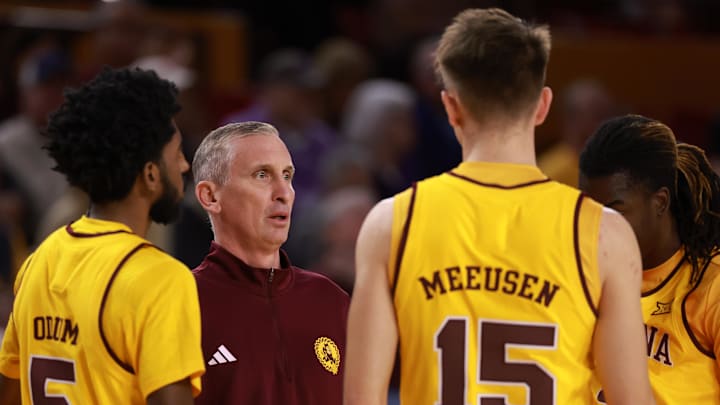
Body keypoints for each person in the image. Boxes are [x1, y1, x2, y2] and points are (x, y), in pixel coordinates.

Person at [343, 8, 655, 405]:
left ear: (451, 107)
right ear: (543, 106)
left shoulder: (391, 223)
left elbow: (360, 399)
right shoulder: (604, 233)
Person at [0, 67, 204, 405]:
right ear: (151, 175)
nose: (185, 165)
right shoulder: (160, 279)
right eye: (178, 153)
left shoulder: (39, 261)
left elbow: (8, 390)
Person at [191, 121, 349, 405]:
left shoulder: (332, 300)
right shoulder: (181, 304)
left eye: (287, 176)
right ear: (210, 196)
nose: (284, 192)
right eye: (262, 175)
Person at [579, 114, 720, 404]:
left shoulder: (711, 287)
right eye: (588, 210)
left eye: (614, 210)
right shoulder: (580, 275)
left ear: (660, 202)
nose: (598, 226)